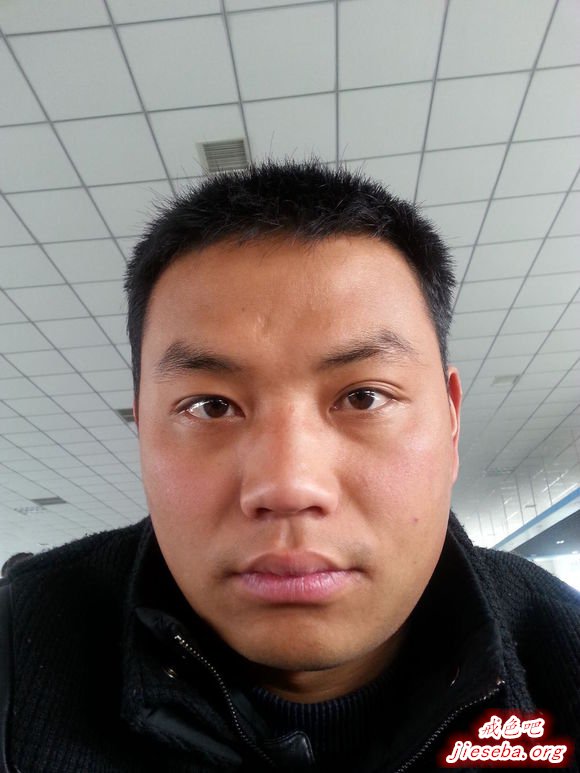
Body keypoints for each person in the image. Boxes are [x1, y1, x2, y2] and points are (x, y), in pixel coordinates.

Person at [0, 162, 578, 773]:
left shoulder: (561, 656)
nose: (287, 487)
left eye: (364, 397)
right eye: (210, 406)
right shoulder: (18, 657)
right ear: (143, 429)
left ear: (451, 420)